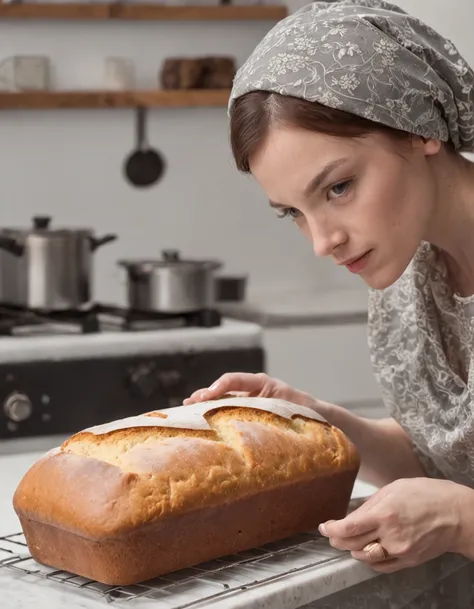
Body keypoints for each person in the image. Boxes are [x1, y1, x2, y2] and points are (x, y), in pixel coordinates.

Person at [184, 0, 474, 574]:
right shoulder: (406, 276)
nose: (323, 242)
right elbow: (444, 464)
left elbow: (456, 501)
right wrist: (321, 425)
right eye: (291, 211)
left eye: (338, 187)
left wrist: (464, 521)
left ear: (419, 129)